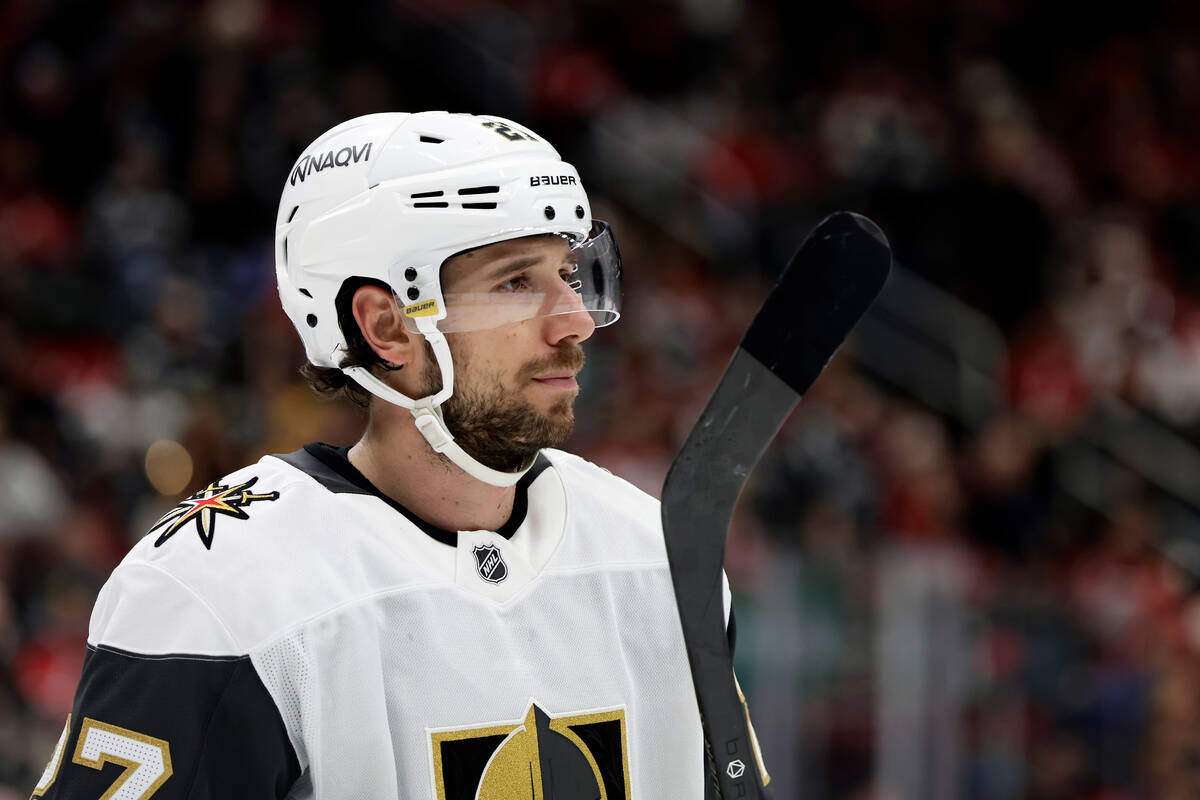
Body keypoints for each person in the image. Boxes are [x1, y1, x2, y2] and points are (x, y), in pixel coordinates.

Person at [32, 112, 768, 799]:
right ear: (385, 326)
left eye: (568, 275)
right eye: (516, 282)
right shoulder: (215, 592)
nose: (574, 320)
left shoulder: (652, 554)